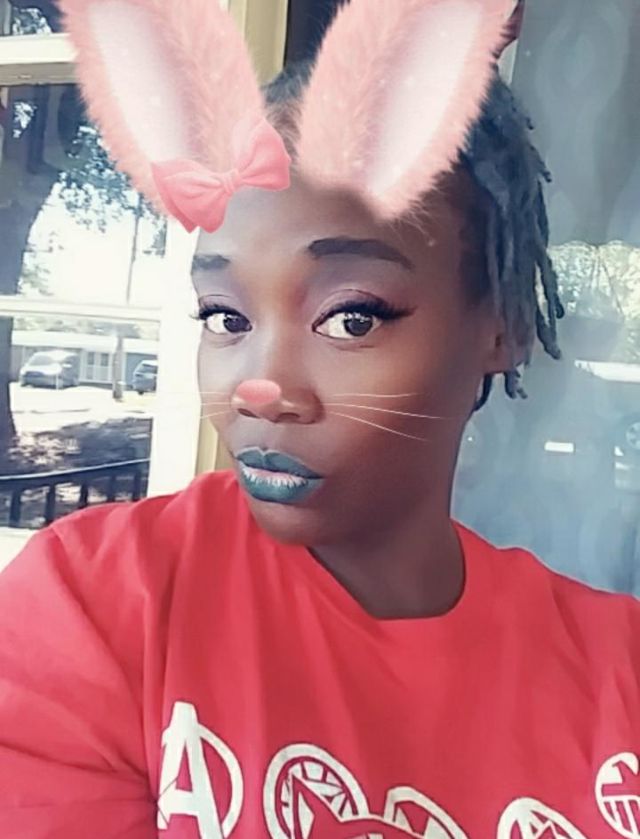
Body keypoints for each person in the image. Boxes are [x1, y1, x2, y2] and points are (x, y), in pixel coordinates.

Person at [1, 1, 639, 838]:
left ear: (503, 326)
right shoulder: (97, 605)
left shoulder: (620, 669)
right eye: (225, 316)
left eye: (352, 316)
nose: (261, 388)